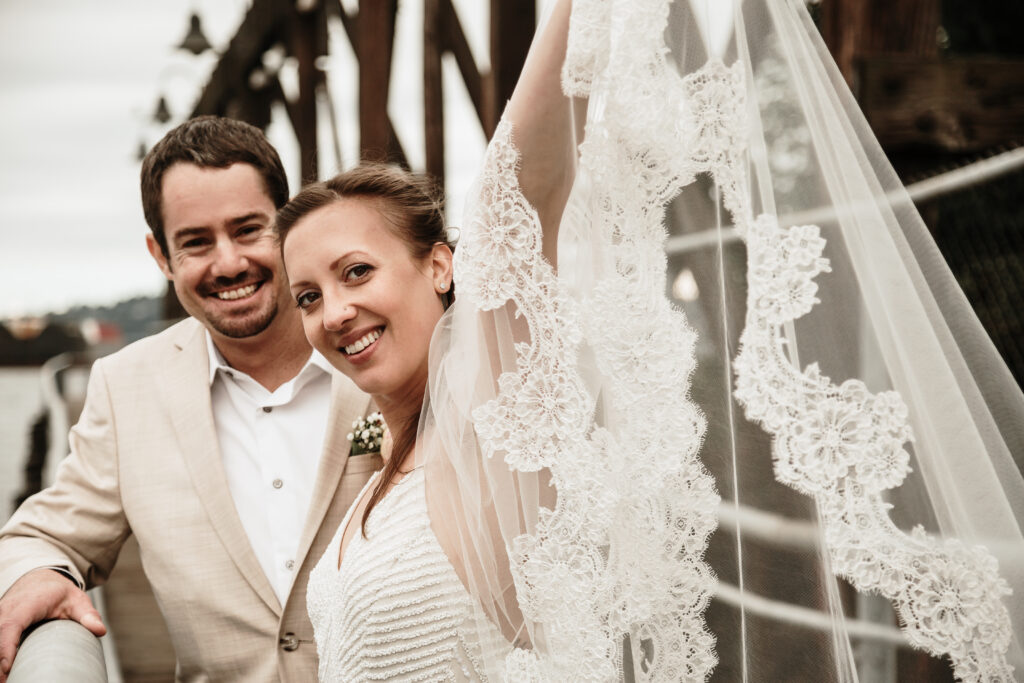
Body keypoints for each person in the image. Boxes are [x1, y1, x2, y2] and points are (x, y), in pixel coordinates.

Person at [278, 0, 1024, 680]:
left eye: (356, 272)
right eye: (308, 295)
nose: (335, 311)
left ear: (440, 265)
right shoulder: (377, 476)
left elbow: (522, 191)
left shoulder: (488, 423)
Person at [0, 116, 380, 682]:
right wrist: (40, 577)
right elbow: (41, 535)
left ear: (288, 224)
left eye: (249, 229)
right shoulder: (127, 387)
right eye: (196, 242)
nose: (228, 263)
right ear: (161, 255)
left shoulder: (379, 350)